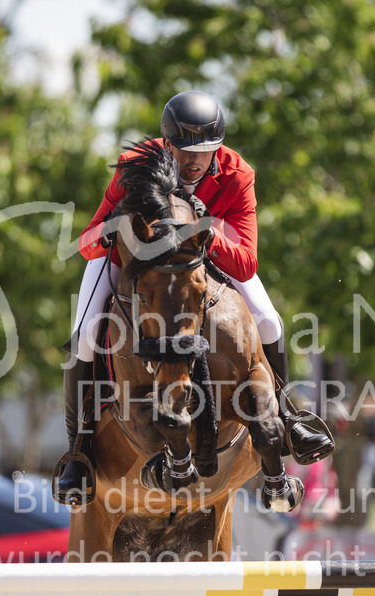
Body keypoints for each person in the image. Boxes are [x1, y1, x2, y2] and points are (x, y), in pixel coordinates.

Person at [54, 90, 333, 504]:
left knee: (270, 321)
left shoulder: (238, 175)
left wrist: (203, 233)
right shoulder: (137, 165)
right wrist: (115, 228)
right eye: (184, 151)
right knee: (87, 333)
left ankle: (287, 416)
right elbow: (87, 243)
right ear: (166, 144)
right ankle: (78, 451)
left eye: (204, 152)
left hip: (204, 257)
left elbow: (246, 264)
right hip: (140, 263)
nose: (194, 162)